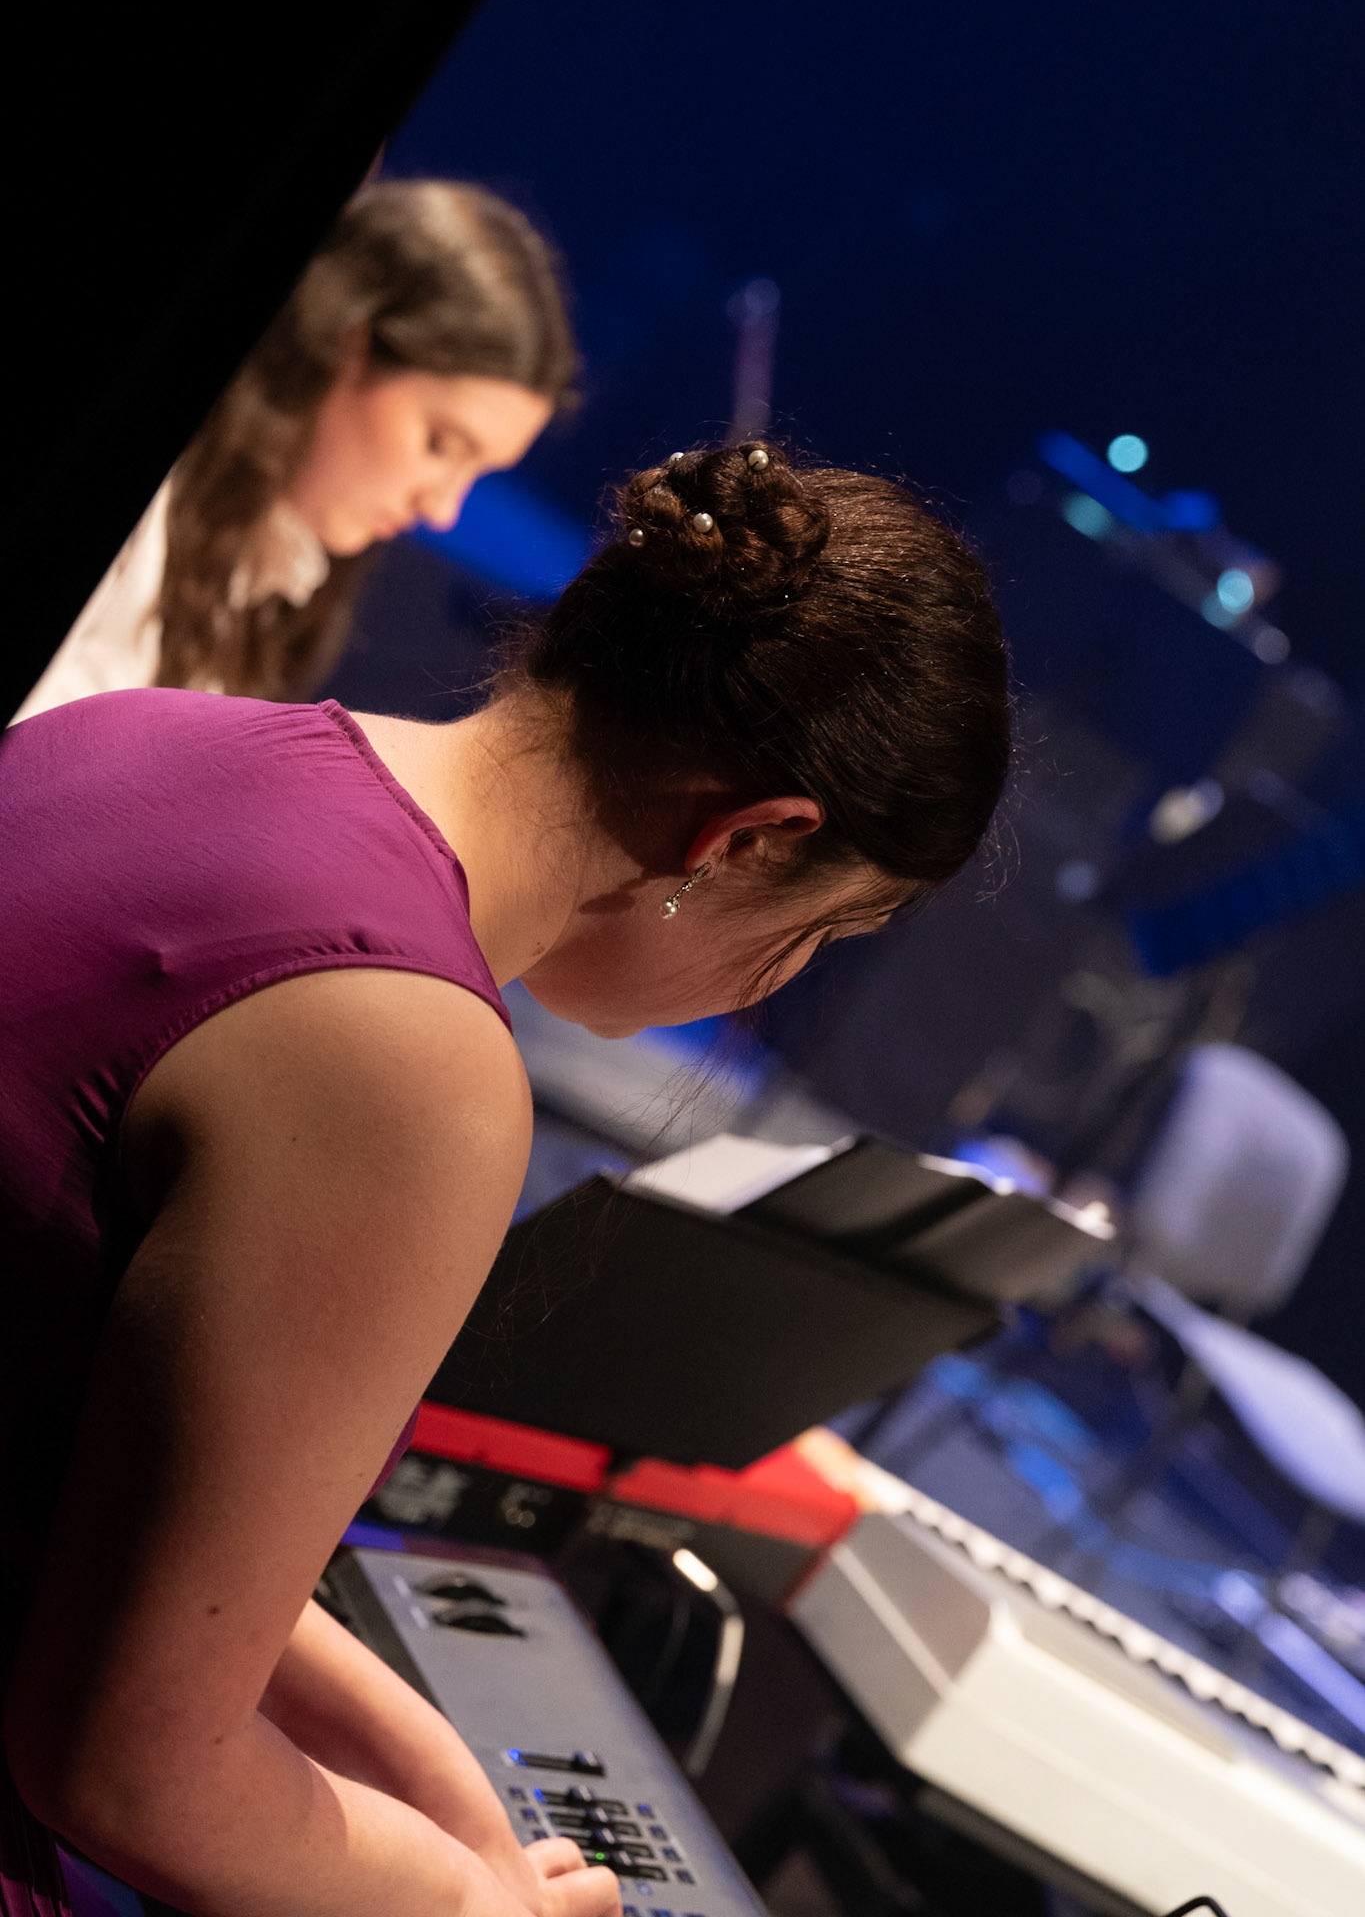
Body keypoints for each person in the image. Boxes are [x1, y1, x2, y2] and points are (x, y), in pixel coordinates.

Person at [0, 441, 1010, 1917]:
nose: (773, 983)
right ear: (749, 839)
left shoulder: (151, 730)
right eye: (820, 935)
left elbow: (122, 1511)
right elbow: (126, 1770)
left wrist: (447, 1794)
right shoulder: (406, 1056)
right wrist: (480, 1906)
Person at [11, 181, 575, 723]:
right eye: (440, 445)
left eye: (478, 473)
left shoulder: (277, 579)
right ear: (349, 346)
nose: (442, 510)